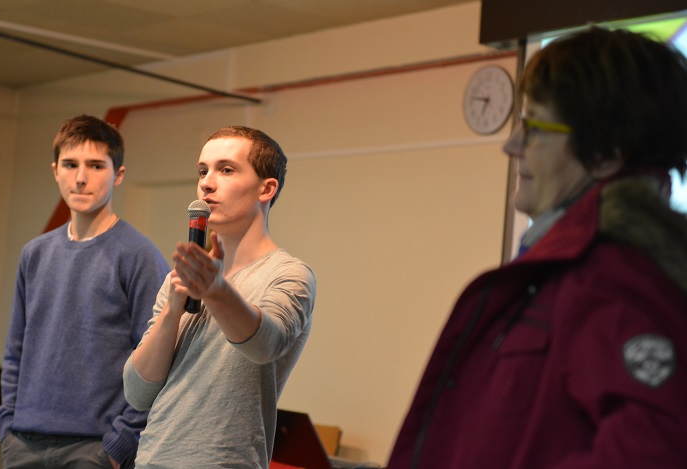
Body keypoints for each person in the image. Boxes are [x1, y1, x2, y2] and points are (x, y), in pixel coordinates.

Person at [387, 27, 687, 469]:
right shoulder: (571, 268)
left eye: (534, 127)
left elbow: (653, 453)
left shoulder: (612, 277)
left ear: (605, 155)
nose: (511, 145)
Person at [123, 125, 317, 468]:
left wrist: (215, 291)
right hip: (152, 460)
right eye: (203, 171)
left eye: (226, 170)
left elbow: (265, 345)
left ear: (266, 188)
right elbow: (137, 394)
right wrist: (172, 310)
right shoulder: (177, 281)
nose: (207, 183)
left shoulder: (289, 275)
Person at [0, 115, 170, 468]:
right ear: (55, 171)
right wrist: (8, 427)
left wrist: (120, 445)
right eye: (70, 164)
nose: (80, 177)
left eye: (95, 165)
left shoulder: (139, 255)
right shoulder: (34, 253)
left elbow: (158, 361)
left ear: (118, 174)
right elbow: (15, 351)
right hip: (23, 443)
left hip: (95, 449)